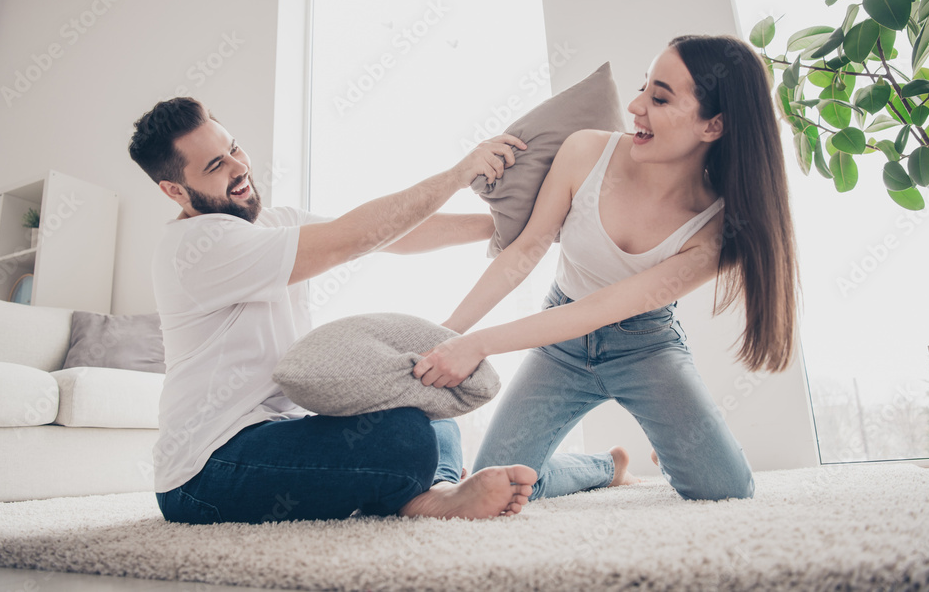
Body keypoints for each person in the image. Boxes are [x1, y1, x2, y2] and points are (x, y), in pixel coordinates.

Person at [411, 34, 799, 502]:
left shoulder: (718, 230)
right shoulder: (585, 151)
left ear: (712, 126)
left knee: (725, 489)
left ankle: (674, 447)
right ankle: (606, 467)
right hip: (560, 344)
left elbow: (603, 307)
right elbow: (526, 250)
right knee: (501, 484)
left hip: (646, 347)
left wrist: (477, 345)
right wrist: (449, 333)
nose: (636, 106)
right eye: (643, 87)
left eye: (659, 98)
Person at [128, 97, 537, 523]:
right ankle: (425, 488)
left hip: (278, 432)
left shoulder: (273, 222)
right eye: (216, 166)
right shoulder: (196, 248)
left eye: (234, 148)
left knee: (433, 412)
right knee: (404, 437)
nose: (239, 166)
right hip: (206, 471)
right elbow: (352, 237)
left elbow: (390, 235)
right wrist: (457, 175)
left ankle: (433, 492)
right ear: (174, 190)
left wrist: (501, 227)